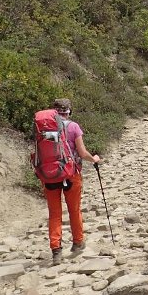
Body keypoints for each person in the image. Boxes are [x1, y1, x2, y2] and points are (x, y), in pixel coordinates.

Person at [46, 98, 101, 265]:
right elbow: (83, 153)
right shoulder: (73, 127)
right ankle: (77, 242)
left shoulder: (45, 128)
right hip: (71, 173)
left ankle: (56, 251)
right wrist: (95, 159)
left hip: (49, 175)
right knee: (74, 209)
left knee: (54, 214)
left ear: (54, 111)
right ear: (69, 111)